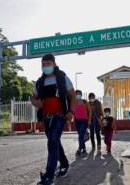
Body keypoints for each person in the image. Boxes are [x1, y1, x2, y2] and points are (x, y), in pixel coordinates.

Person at [31, 54, 76, 185]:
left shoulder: (62, 78)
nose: (45, 66)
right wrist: (36, 103)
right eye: (43, 64)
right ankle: (64, 163)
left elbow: (73, 96)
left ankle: (49, 176)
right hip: (46, 117)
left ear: (54, 64)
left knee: (52, 140)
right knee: (54, 141)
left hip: (59, 116)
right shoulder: (39, 82)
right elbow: (33, 98)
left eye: (48, 64)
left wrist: (71, 111)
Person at [74, 90, 91, 155]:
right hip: (77, 121)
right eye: (76, 94)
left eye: (79, 94)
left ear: (81, 95)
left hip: (84, 120)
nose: (78, 95)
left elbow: (89, 111)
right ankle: (83, 149)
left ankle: (80, 148)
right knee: (80, 135)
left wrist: (89, 120)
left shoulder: (85, 102)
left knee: (81, 134)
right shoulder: (74, 102)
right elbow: (72, 111)